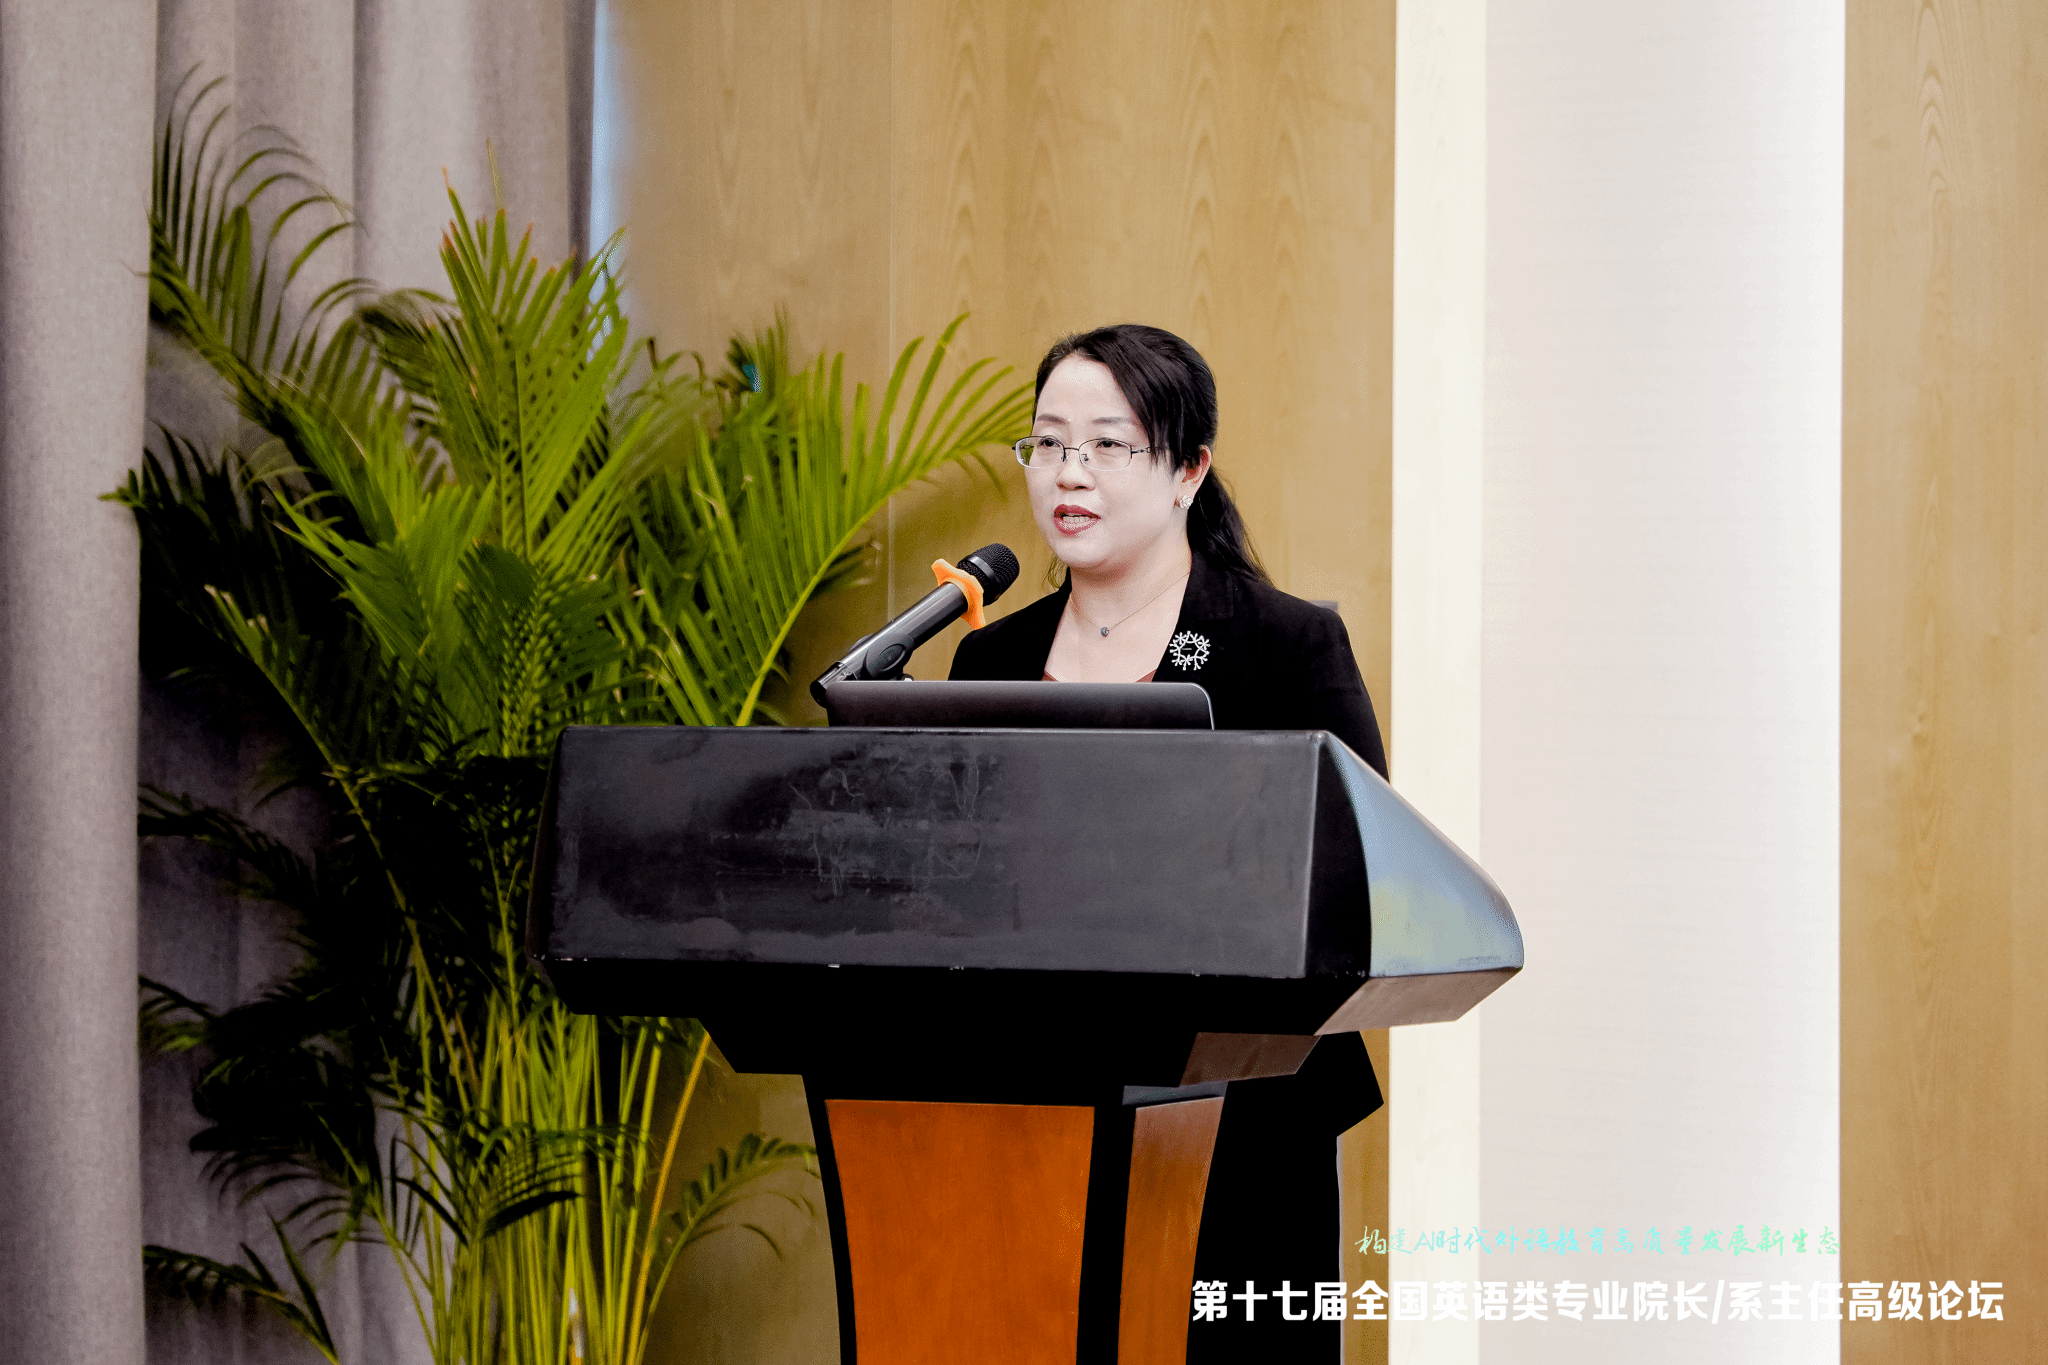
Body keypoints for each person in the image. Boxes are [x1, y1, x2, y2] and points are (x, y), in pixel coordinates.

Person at [949, 323, 1386, 1358]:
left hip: (1245, 1112)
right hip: (1028, 1104)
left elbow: (1358, 873)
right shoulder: (989, 659)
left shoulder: (1284, 645)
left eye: (1108, 444)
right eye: (1048, 443)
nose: (1069, 472)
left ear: (1189, 469)